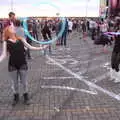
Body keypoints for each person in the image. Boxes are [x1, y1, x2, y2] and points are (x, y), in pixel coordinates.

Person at [1, 12, 47, 106]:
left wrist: (42, 48)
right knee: (15, 83)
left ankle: (26, 96)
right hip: (12, 64)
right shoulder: (6, 42)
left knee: (24, 82)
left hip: (22, 62)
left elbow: (30, 47)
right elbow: (3, 55)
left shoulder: (21, 39)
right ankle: (16, 96)